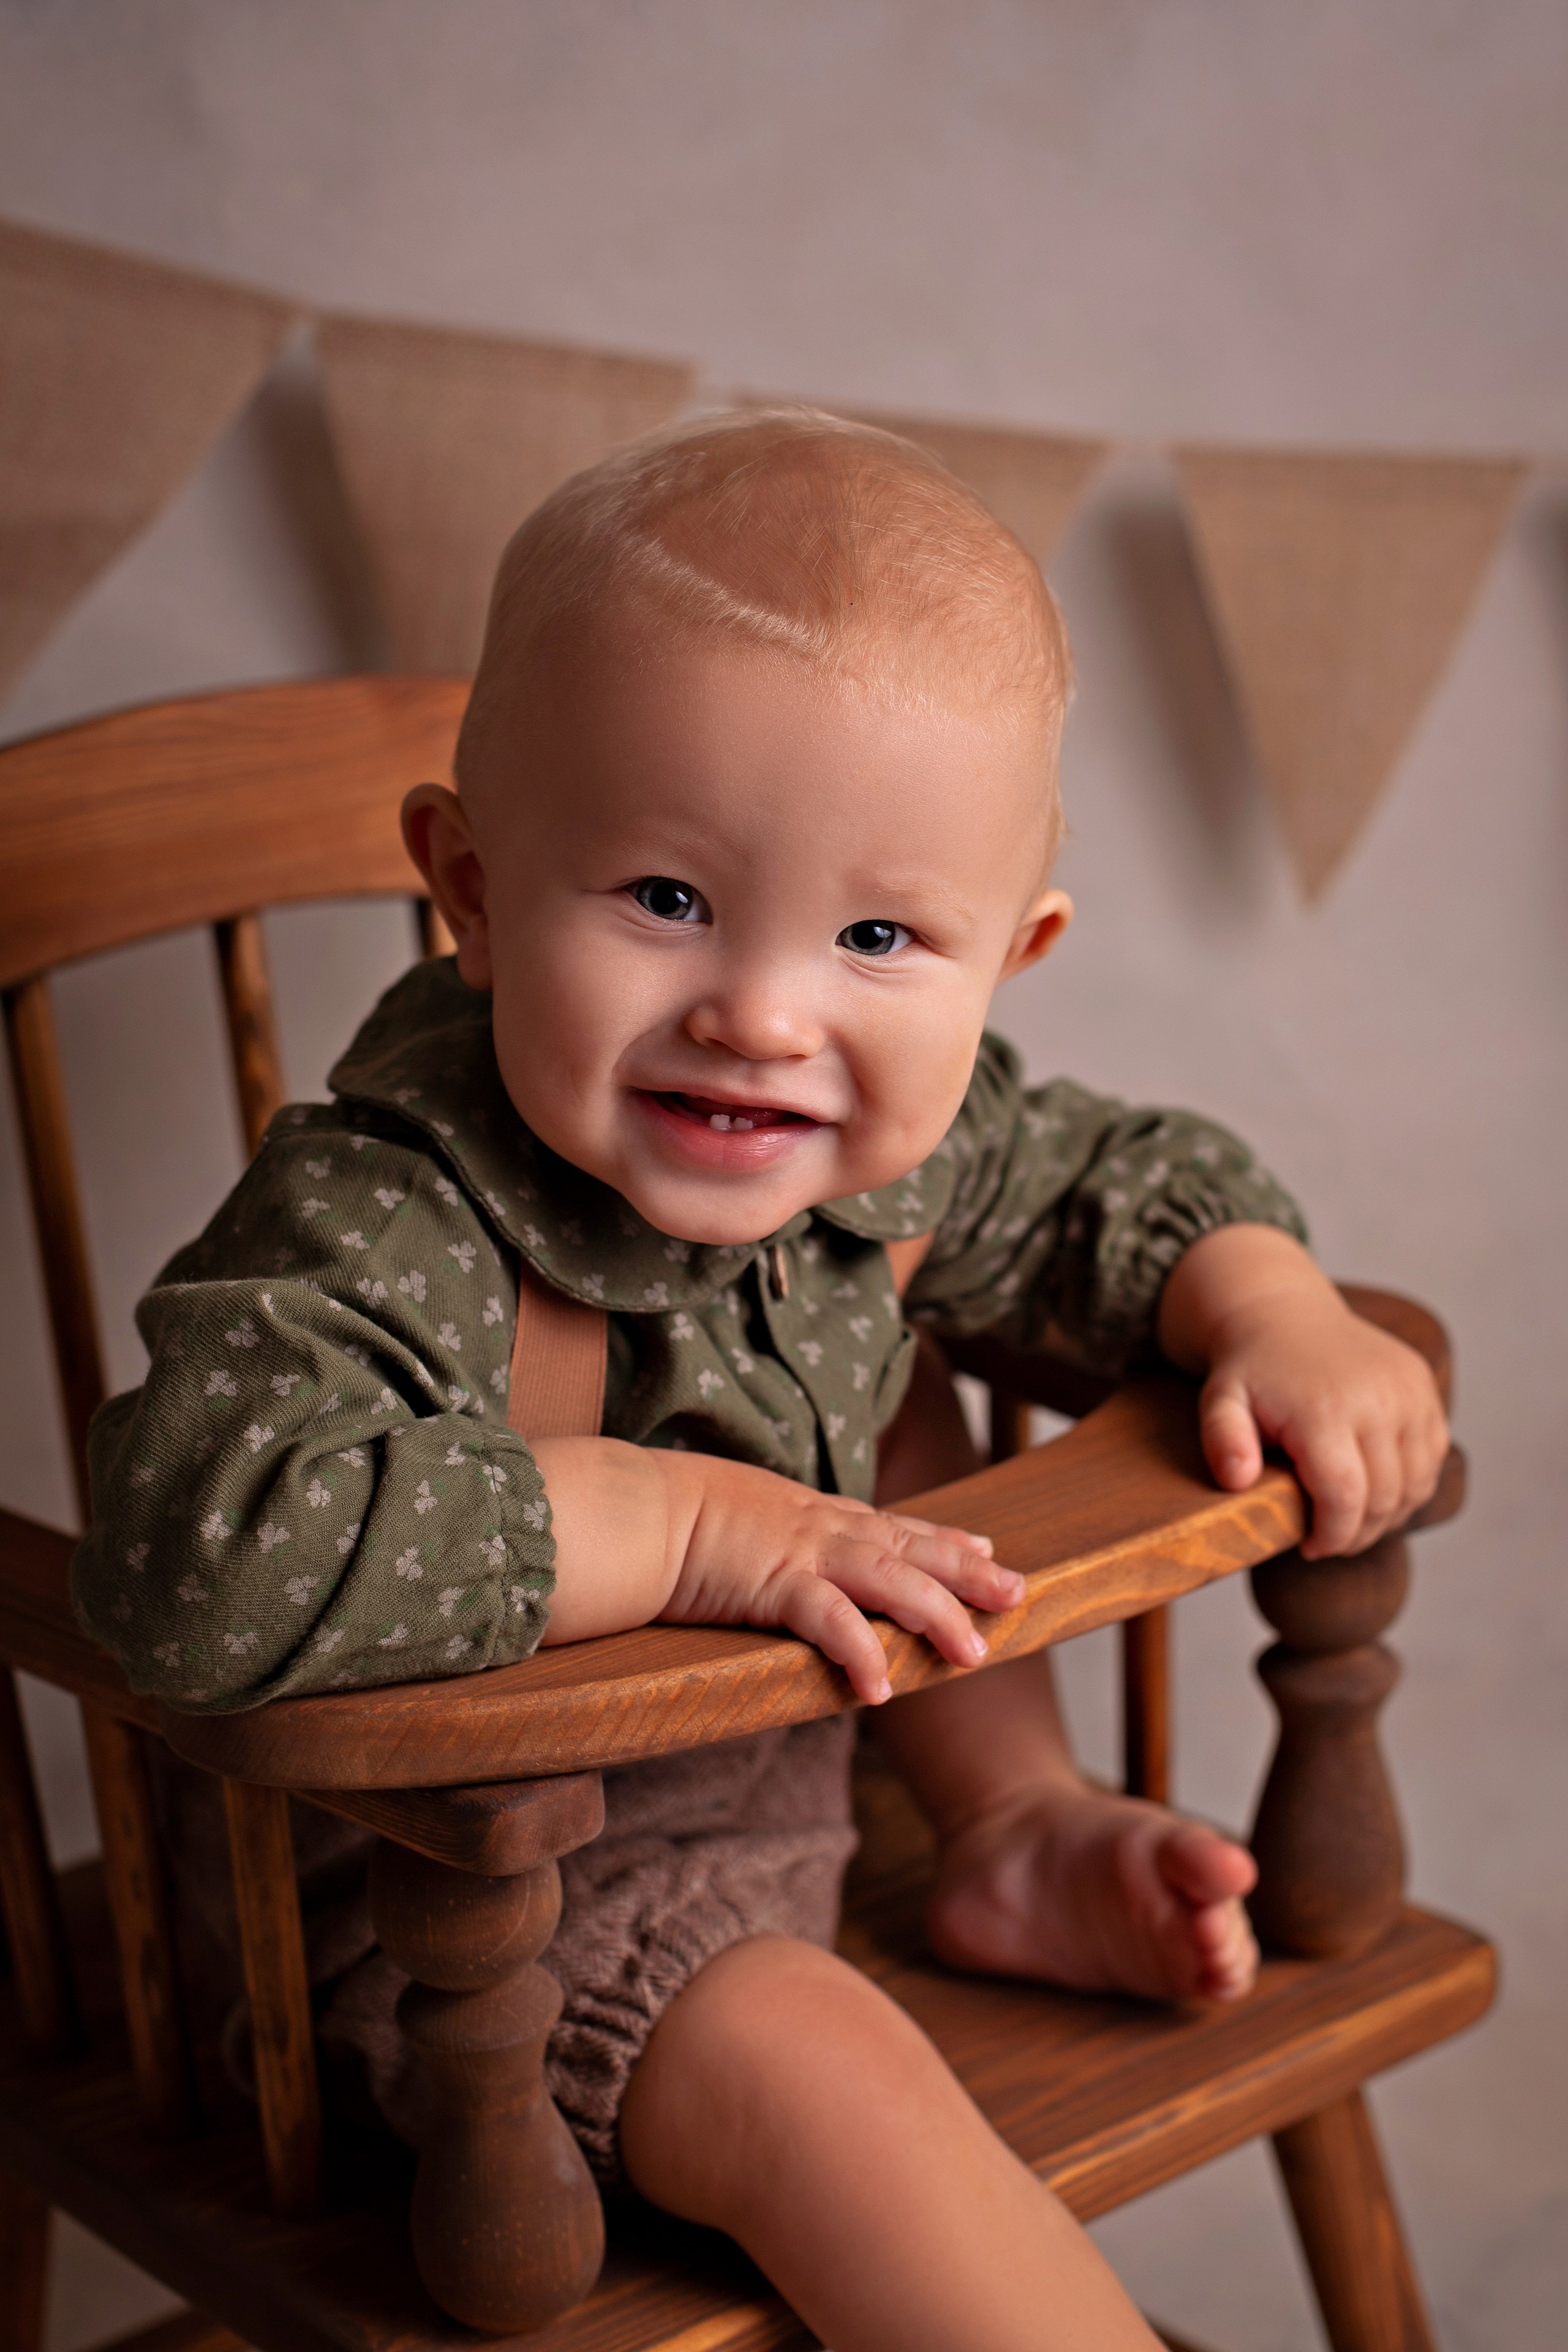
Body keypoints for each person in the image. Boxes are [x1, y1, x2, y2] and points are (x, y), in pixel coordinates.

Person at [75, 410, 1448, 2352]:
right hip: (459, 1906)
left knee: (897, 1407)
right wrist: (684, 1521)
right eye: (663, 898)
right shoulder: (398, 1209)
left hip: (799, 1791)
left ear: (1007, 962)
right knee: (840, 2090)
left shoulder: (887, 1146)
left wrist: (1271, 1299)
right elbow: (199, 1547)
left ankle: (1014, 1823)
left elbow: (1111, 1191)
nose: (766, 1011)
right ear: (467, 884)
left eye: (882, 936)